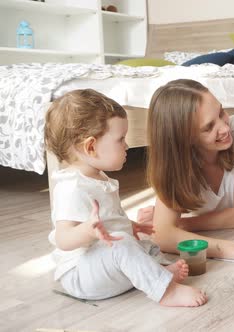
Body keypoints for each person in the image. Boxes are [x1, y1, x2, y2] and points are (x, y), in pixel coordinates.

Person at [44, 89, 207, 307]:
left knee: (142, 244)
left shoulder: (97, 177)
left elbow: (110, 219)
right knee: (123, 245)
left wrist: (134, 226)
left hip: (104, 263)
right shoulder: (71, 188)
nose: (127, 146)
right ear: (91, 147)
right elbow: (63, 239)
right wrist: (87, 231)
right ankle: (166, 291)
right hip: (82, 275)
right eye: (121, 139)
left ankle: (154, 273)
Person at [145, 61, 234, 259]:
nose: (223, 127)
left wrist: (181, 223)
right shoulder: (175, 164)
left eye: (221, 111)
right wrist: (166, 226)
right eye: (208, 127)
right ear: (183, 139)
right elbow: (162, 236)